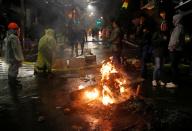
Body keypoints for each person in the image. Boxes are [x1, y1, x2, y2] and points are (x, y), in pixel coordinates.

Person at [5, 22, 24, 87]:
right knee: (14, 70)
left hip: (11, 57)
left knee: (11, 69)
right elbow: (15, 48)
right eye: (16, 29)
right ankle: (13, 82)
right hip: (14, 58)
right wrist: (18, 57)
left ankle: (12, 81)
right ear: (13, 30)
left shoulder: (9, 36)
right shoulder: (13, 37)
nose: (17, 30)